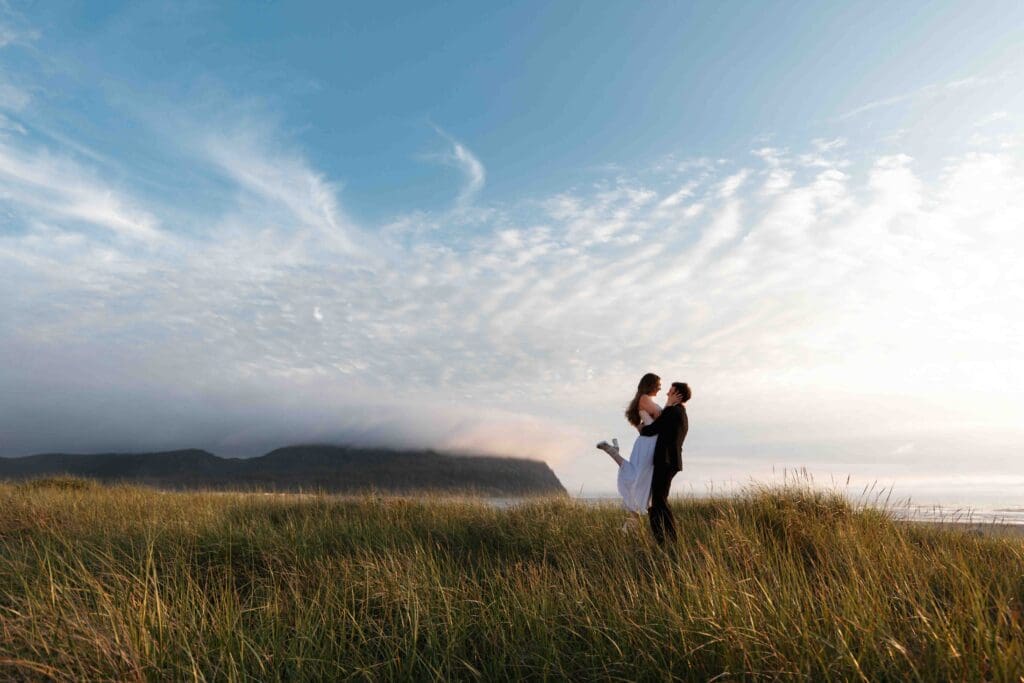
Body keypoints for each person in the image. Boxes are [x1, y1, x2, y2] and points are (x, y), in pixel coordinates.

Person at [595, 373, 664, 515]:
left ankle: (613, 451)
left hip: (647, 442)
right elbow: (661, 417)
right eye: (658, 385)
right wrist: (670, 405)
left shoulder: (643, 399)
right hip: (648, 443)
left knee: (639, 477)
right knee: (639, 478)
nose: (660, 388)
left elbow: (647, 425)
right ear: (650, 384)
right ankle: (612, 451)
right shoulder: (644, 398)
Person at [638, 382, 690, 546]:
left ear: (678, 395)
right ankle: (662, 539)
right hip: (669, 461)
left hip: (666, 460)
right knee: (659, 500)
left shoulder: (674, 411)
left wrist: (640, 428)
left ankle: (669, 539)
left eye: (671, 391)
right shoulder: (679, 412)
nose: (667, 393)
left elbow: (653, 429)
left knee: (659, 500)